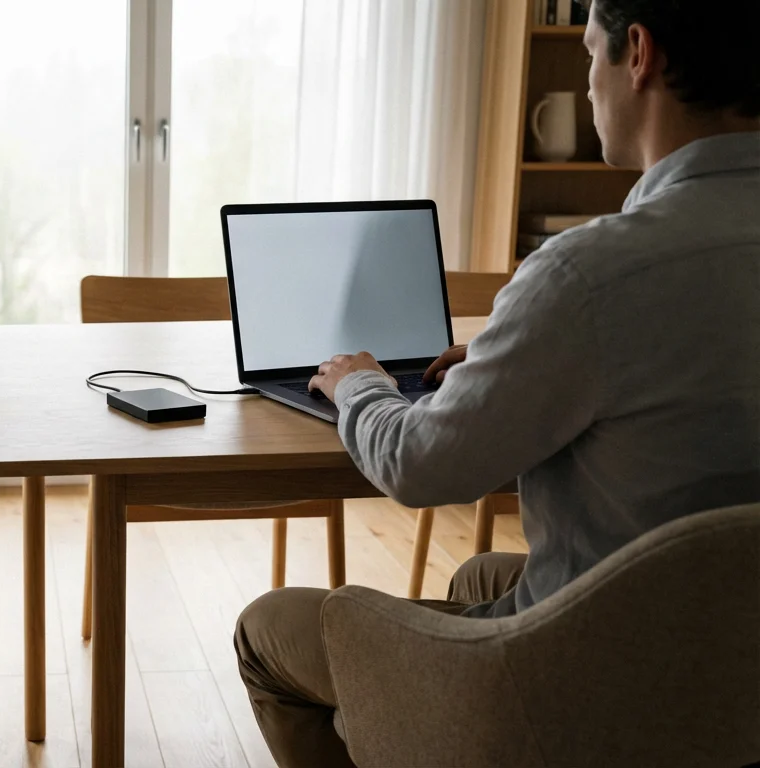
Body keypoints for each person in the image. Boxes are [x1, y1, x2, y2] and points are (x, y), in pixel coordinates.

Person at [234, 0, 760, 765]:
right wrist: (506, 362)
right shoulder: (595, 288)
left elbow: (421, 467)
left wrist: (360, 386)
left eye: (588, 55)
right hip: (733, 676)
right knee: (481, 572)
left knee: (268, 627)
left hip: (584, 693)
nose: (586, 83)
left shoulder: (588, 274)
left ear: (638, 54)